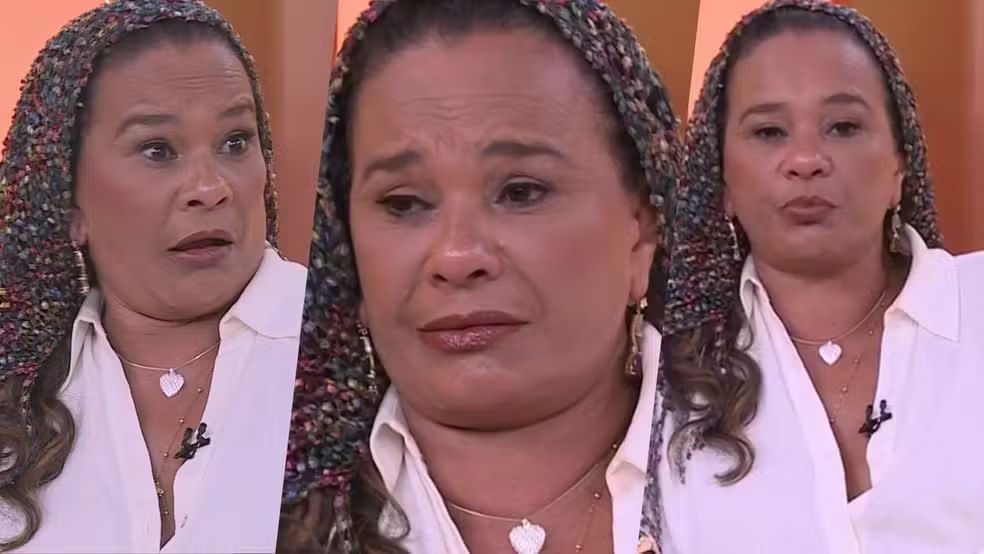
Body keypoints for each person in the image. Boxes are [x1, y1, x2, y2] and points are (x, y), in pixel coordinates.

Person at [277, 0, 683, 552]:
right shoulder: (242, 512)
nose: (457, 255)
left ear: (643, 229)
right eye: (403, 203)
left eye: (521, 192)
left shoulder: (779, 468)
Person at [647, 1, 984, 552]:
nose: (805, 159)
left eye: (843, 127)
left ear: (899, 166)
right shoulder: (662, 388)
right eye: (769, 131)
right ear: (722, 181)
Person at [0, 1, 306, 552]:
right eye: (158, 150)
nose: (210, 188)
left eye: (236, 142)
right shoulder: (15, 392)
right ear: (67, 201)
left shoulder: (357, 353)